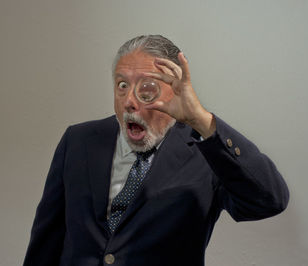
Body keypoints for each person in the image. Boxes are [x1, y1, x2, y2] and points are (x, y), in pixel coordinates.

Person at [23, 35, 289, 266]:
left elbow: (269, 201)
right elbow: (46, 241)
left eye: (146, 88)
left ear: (175, 92)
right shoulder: (78, 140)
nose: (129, 101)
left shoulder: (207, 153)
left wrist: (201, 120)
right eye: (122, 85)